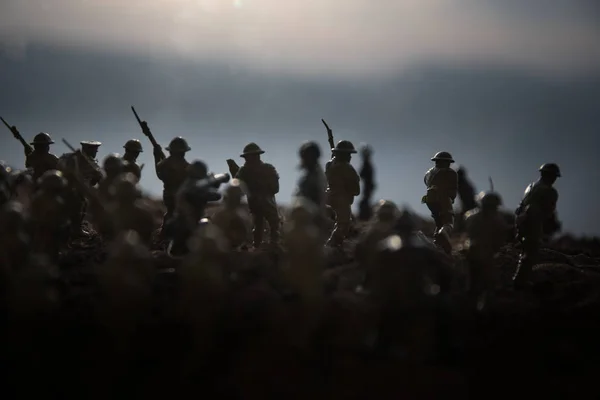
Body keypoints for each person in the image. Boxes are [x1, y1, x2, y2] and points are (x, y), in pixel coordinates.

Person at [512, 163, 562, 289]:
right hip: (533, 223)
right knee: (531, 252)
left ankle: (521, 279)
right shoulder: (549, 191)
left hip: (523, 221)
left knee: (527, 250)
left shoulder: (530, 187)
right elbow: (548, 211)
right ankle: (520, 280)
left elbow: (520, 207)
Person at [464, 191, 510, 309]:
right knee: (485, 284)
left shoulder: (470, 216)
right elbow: (501, 237)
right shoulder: (497, 220)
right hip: (483, 254)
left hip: (476, 253)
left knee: (477, 284)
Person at [235, 142, 281, 249]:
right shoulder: (243, 171)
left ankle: (274, 246)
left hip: (267, 204)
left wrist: (261, 187)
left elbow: (275, 188)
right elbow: (238, 188)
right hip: (255, 204)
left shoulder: (268, 169)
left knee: (274, 226)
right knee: (258, 227)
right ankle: (258, 246)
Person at [324, 140, 361, 247]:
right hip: (342, 200)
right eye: (348, 154)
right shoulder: (348, 169)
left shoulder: (329, 164)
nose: (350, 157)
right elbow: (356, 190)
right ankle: (331, 245)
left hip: (329, 196)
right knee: (344, 223)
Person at [422, 151, 458, 254]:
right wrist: (450, 198)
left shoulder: (428, 173)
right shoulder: (450, 173)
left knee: (438, 221)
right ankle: (442, 234)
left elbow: (426, 183)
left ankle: (437, 242)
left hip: (428, 198)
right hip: (442, 197)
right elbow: (453, 189)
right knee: (448, 222)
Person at [155, 136, 191, 235]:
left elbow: (159, 174)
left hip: (169, 195)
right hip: (178, 196)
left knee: (171, 214)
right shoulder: (186, 166)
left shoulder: (164, 164)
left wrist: (156, 157)